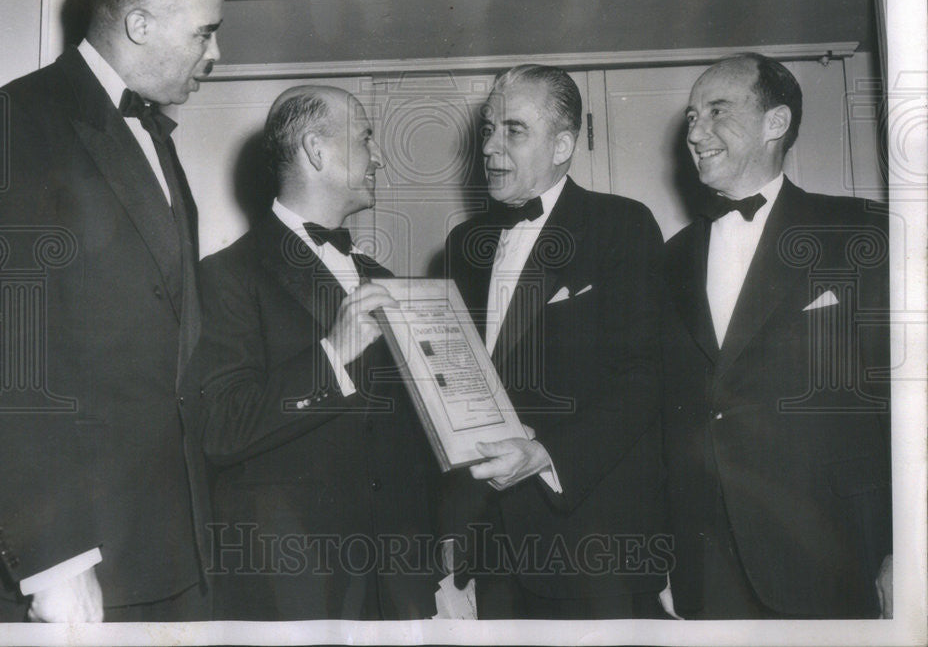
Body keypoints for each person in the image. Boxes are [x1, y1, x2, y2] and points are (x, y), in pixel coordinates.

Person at [0, 0, 223, 622]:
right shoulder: (18, 122)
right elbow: (5, 357)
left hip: (167, 551)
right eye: (206, 32)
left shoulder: (157, 141)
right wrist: (55, 562)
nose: (216, 53)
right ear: (139, 23)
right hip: (74, 560)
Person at [185, 86, 442, 620]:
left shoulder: (385, 280)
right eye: (367, 137)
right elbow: (220, 429)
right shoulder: (225, 276)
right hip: (294, 584)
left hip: (398, 581)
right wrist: (332, 355)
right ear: (317, 151)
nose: (379, 156)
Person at [662, 53, 892, 618]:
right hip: (705, 562)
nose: (695, 132)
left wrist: (902, 549)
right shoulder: (672, 258)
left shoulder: (861, 230)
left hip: (833, 552)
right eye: (691, 116)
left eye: (717, 110)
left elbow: (904, 401)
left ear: (776, 123)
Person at [442, 64, 668, 618]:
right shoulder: (463, 242)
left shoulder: (622, 224)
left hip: (593, 543)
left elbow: (644, 376)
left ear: (563, 144)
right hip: (492, 546)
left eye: (513, 130)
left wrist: (547, 454)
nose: (492, 149)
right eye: (488, 130)